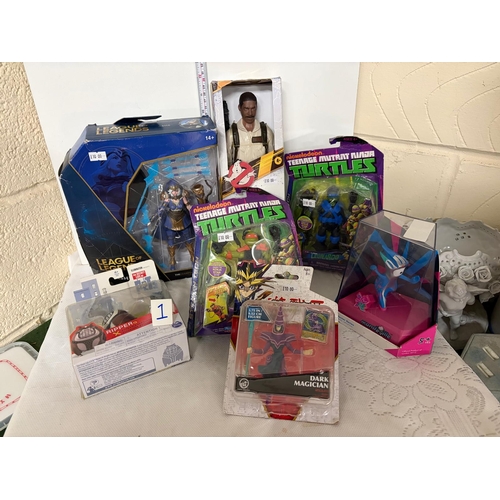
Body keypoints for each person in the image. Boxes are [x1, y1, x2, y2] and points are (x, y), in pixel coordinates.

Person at [226, 92, 274, 166]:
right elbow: (228, 161)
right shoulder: (232, 134)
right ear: (239, 108)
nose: (250, 113)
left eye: (253, 108)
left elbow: (272, 159)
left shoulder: (266, 131)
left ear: (256, 107)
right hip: (240, 172)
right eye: (246, 109)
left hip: (262, 172)